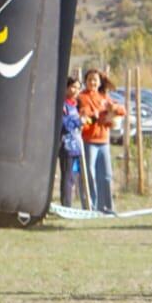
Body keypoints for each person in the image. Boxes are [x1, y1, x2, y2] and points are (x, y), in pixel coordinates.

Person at [77, 68, 123, 215]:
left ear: (99, 82)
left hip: (103, 141)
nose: (92, 82)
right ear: (86, 81)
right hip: (88, 140)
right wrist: (94, 115)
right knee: (89, 175)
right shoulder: (82, 97)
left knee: (106, 175)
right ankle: (90, 207)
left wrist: (113, 108)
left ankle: (106, 207)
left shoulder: (104, 97)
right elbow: (84, 114)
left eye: (95, 80)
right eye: (90, 79)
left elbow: (122, 110)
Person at [59, 75, 85, 208]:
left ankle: (78, 203)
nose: (75, 91)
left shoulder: (75, 106)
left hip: (76, 147)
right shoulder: (62, 105)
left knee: (75, 177)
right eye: (73, 87)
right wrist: (78, 121)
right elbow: (64, 126)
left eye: (78, 88)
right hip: (66, 147)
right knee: (67, 178)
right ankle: (66, 205)